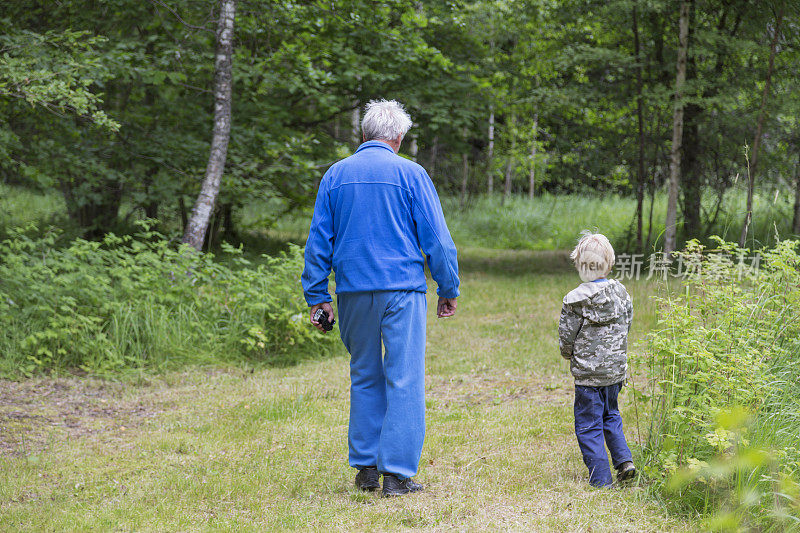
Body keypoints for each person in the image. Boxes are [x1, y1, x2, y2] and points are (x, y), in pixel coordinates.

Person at [301, 99, 460, 497]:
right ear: (399, 137)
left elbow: (318, 241)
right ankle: (398, 476)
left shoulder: (335, 176)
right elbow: (438, 240)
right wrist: (448, 287)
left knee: (365, 374)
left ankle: (367, 470)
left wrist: (317, 294)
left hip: (354, 291)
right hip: (402, 290)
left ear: (365, 134)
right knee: (404, 377)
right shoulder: (412, 174)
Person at [558, 231, 636, 487]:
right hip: (614, 372)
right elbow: (627, 324)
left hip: (588, 375)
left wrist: (568, 354)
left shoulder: (575, 300)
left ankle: (601, 479)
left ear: (580, 265)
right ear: (610, 263)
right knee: (611, 414)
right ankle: (624, 461)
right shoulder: (621, 292)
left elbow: (567, 335)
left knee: (589, 424)